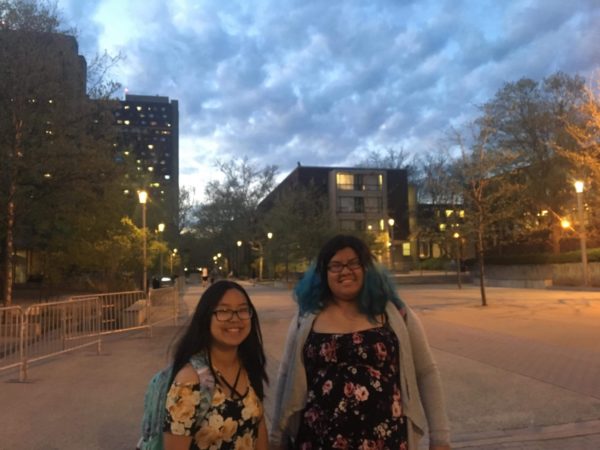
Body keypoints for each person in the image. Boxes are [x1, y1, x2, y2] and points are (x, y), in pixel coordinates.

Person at [270, 234, 451, 450]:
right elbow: (285, 375)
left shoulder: (395, 312)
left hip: (387, 440)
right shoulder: (306, 317)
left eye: (353, 263)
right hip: (318, 441)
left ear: (367, 268)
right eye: (335, 266)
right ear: (323, 273)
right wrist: (276, 439)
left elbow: (426, 372)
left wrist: (440, 438)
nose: (345, 271)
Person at [164, 280, 269, 450]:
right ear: (206, 317)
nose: (235, 318)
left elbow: (259, 431)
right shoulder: (190, 381)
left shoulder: (249, 366)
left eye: (242, 310)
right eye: (223, 311)